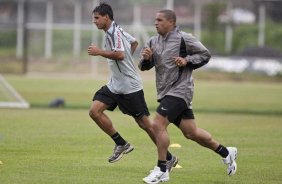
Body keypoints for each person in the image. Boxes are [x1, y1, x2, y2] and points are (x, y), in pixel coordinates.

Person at [139, 9, 238, 184]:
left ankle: (162, 169)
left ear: (171, 22)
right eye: (155, 20)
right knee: (191, 133)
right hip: (165, 92)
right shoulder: (152, 41)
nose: (156, 23)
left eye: (160, 20)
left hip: (181, 90)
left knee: (157, 124)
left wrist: (187, 61)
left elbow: (205, 54)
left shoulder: (184, 38)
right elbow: (144, 67)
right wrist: (146, 59)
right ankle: (226, 152)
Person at [87, 3, 178, 171]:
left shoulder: (115, 33)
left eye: (97, 18)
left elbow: (120, 55)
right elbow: (134, 42)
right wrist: (126, 59)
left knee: (146, 125)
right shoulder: (114, 31)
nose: (94, 21)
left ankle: (169, 158)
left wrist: (100, 52)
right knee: (94, 111)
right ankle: (121, 143)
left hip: (130, 87)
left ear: (106, 17)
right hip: (115, 84)